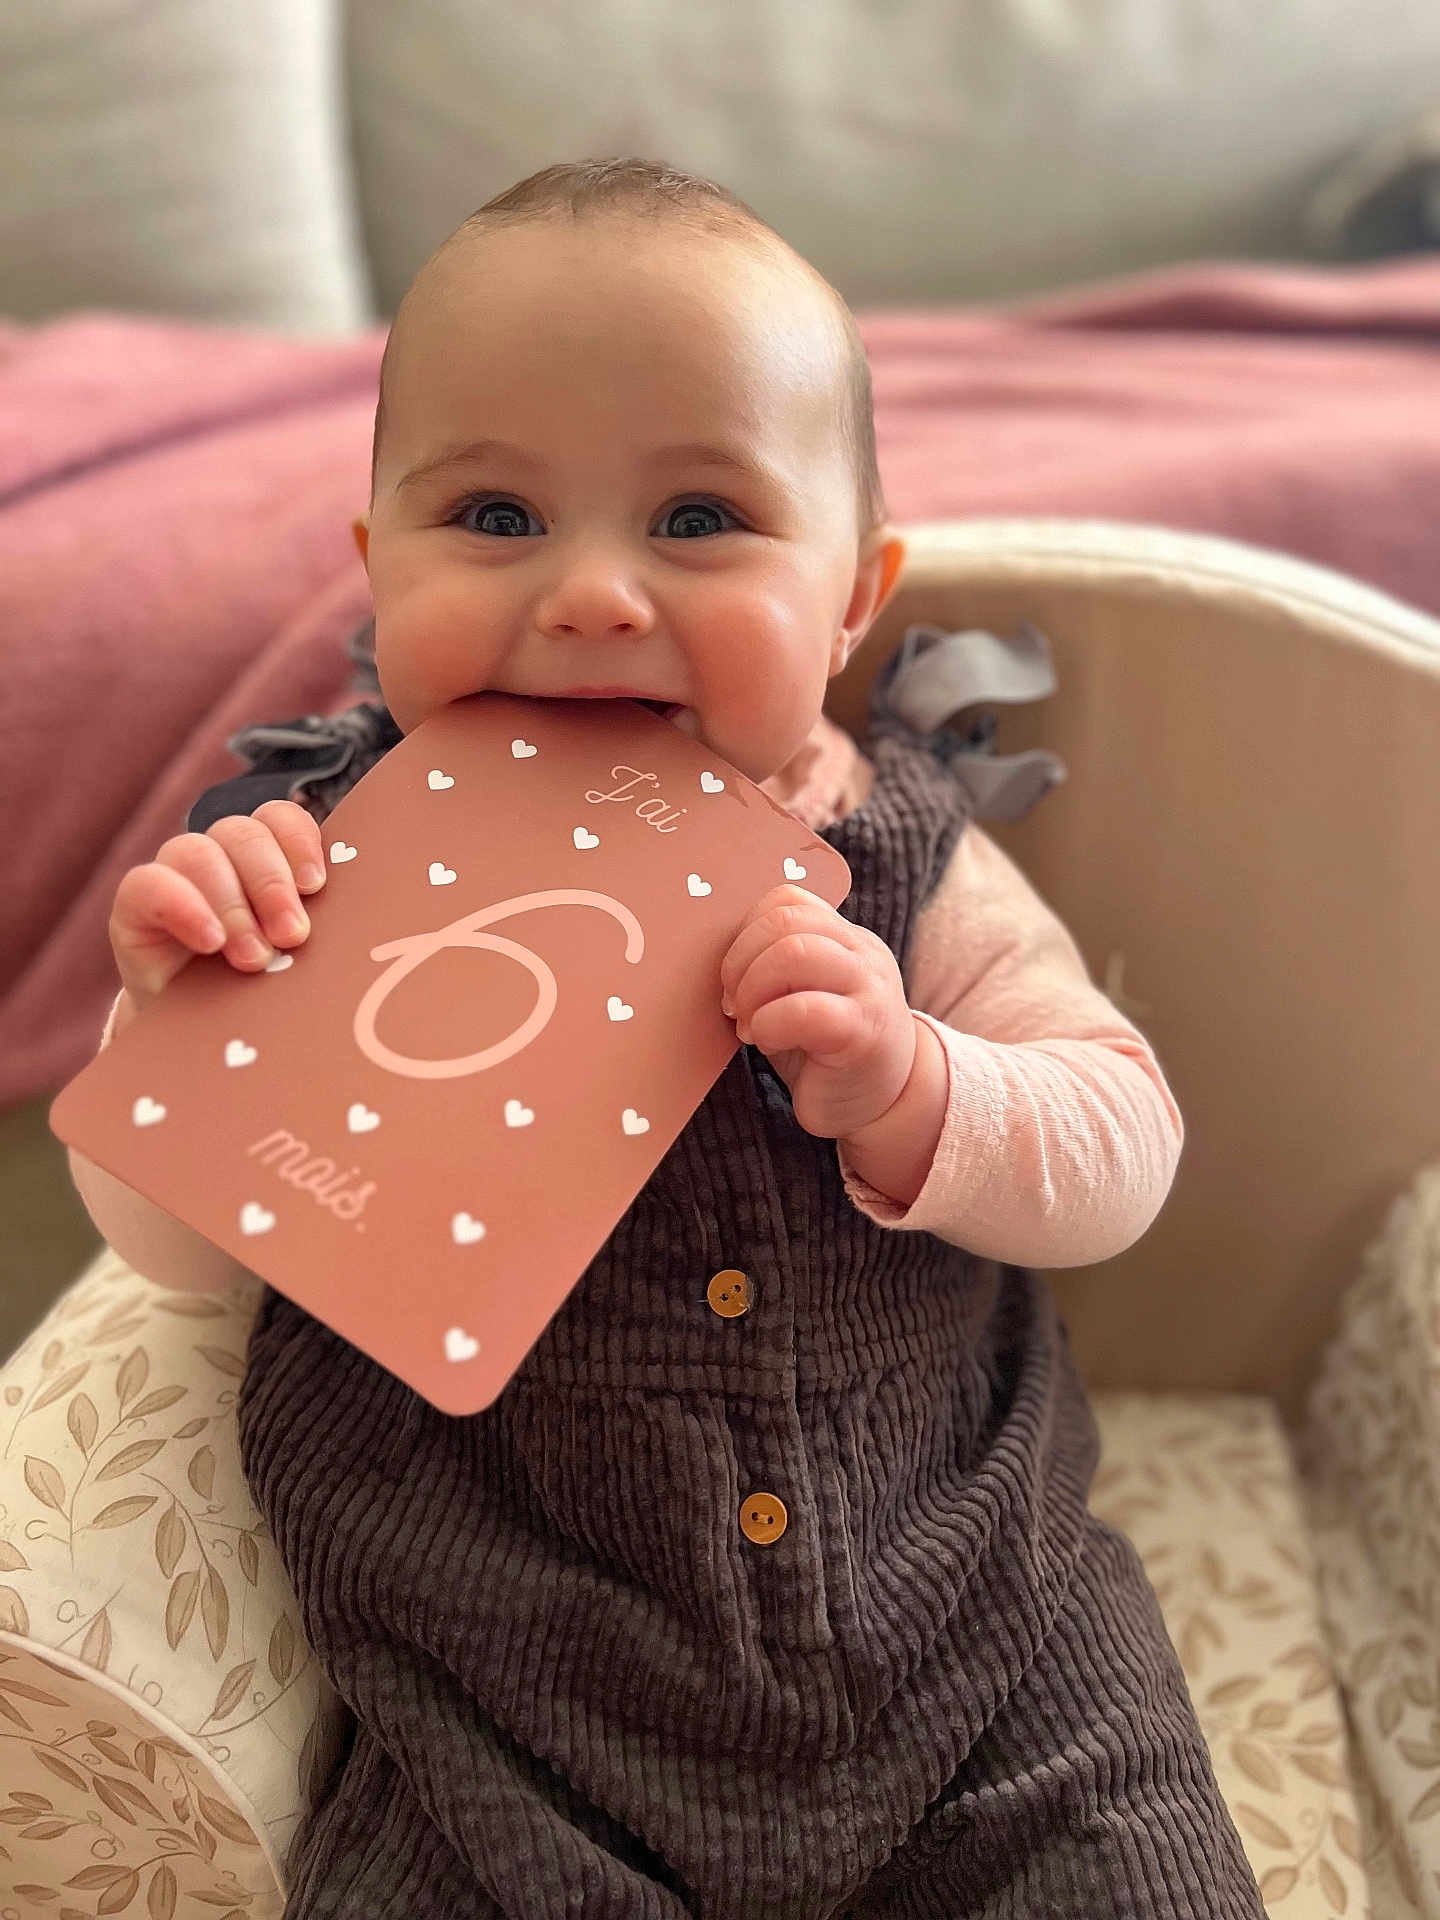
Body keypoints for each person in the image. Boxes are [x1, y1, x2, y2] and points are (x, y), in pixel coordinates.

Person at [69, 158, 1266, 1917]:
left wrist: (921, 1086)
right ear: (372, 562)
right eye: (492, 518)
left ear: (856, 593)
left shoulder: (909, 853)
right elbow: (171, 1252)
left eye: (699, 520)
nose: (595, 597)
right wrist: (176, 1016)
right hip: (499, 1688)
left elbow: (1121, 1150)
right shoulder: (323, 861)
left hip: (977, 1639)